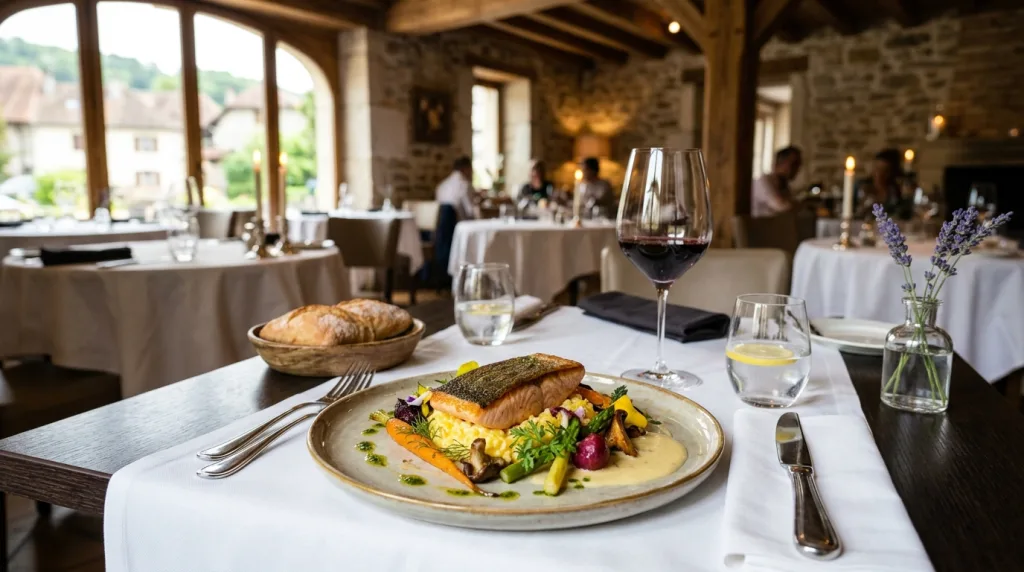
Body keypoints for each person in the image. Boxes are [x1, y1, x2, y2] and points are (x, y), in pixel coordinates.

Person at [751, 146, 802, 218]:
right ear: (778, 163)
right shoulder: (764, 181)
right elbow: (781, 206)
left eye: (799, 165)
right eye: (794, 164)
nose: (797, 169)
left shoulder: (784, 186)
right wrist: (802, 204)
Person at [435, 156, 477, 220]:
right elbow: (470, 212)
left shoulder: (441, 186)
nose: (472, 171)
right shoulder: (465, 184)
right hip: (460, 224)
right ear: (465, 168)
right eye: (471, 169)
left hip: (442, 225)